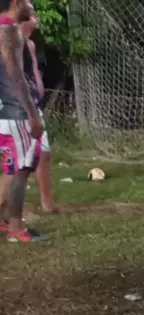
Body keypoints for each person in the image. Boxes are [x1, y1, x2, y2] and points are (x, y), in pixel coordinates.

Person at [0, 0, 45, 242]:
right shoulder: (9, 31)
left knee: (11, 168)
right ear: (16, 2)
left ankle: (4, 221)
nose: (31, 5)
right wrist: (31, 113)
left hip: (6, 111)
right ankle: (17, 229)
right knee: (21, 170)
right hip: (17, 113)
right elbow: (14, 73)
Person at [21, 8, 55, 213]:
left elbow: (33, 74)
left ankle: (47, 203)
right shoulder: (10, 41)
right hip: (18, 107)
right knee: (19, 163)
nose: (37, 19)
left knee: (43, 153)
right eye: (33, 15)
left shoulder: (30, 45)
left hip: (34, 104)